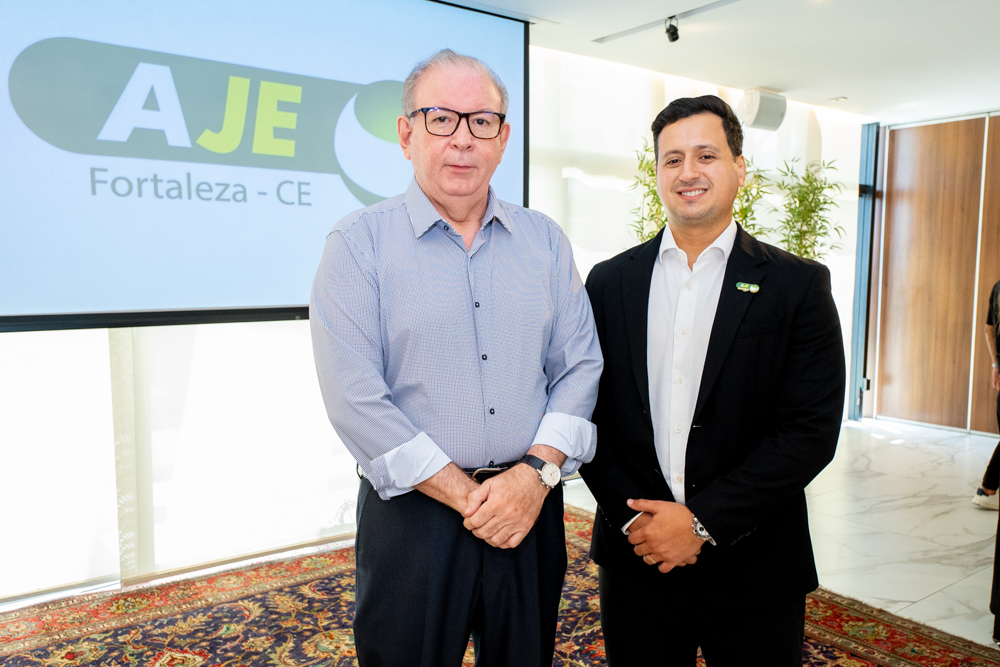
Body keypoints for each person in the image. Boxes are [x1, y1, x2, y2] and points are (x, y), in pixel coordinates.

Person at [309, 49, 602, 667]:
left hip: (530, 508)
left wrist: (533, 477)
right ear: (406, 134)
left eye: (481, 121)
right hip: (413, 517)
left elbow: (579, 367)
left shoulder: (545, 241)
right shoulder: (357, 245)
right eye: (441, 119)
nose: (462, 140)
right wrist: (469, 497)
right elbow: (355, 398)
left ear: (504, 138)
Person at [579, 95, 846, 666]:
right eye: (671, 159)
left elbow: (809, 431)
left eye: (706, 154)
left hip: (755, 563)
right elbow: (586, 413)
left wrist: (700, 524)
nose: (689, 172)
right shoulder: (608, 283)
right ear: (656, 175)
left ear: (739, 169)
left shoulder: (797, 287)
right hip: (638, 559)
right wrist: (638, 522)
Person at [972, 279, 1000, 511]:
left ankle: (988, 489)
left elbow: (988, 329)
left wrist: (996, 364)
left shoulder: (998, 287)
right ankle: (988, 490)